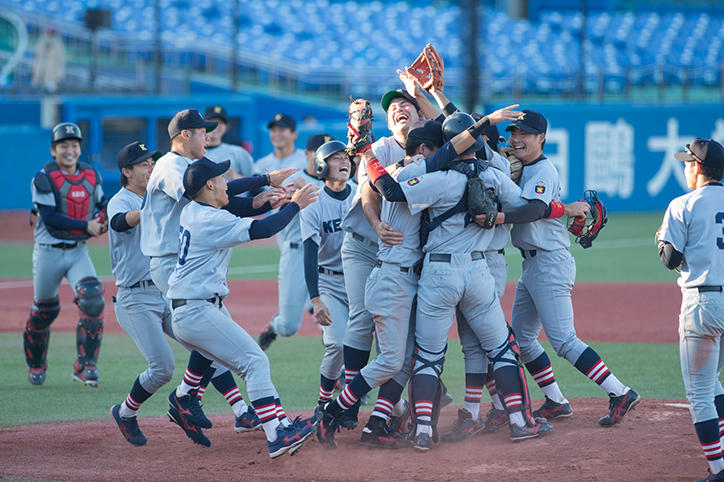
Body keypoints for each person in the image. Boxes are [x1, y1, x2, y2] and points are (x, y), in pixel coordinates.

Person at [358, 111, 554, 450]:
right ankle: (519, 422)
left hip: (438, 273)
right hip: (478, 270)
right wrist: (519, 214)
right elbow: (531, 208)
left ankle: (422, 431)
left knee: (428, 356)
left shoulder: (439, 178)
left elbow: (392, 191)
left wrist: (368, 155)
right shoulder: (495, 176)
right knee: (502, 350)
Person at [165, 157, 320, 457]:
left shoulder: (195, 209)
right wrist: (294, 206)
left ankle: (279, 423)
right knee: (255, 362)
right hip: (196, 310)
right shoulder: (210, 219)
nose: (227, 182)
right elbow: (263, 230)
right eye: (221, 178)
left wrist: (262, 193)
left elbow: (233, 199)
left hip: (194, 308)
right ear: (209, 186)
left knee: (248, 361)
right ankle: (277, 436)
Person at [504, 110, 640, 426]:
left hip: (549, 263)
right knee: (522, 339)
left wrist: (501, 216)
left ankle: (619, 392)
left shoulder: (542, 170)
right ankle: (556, 400)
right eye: (514, 132)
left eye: (524, 133)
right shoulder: (524, 168)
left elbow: (532, 210)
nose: (517, 139)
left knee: (564, 340)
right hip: (532, 265)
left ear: (541, 138)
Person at [658, 138, 724, 482]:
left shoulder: (683, 204)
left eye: (687, 162)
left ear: (698, 167)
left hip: (703, 305)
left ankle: (718, 470)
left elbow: (671, 259)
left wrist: (661, 241)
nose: (685, 167)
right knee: (711, 383)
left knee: (699, 393)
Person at [24, 122, 107, 387]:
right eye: (63, 146)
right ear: (53, 150)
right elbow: (50, 218)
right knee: (45, 311)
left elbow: (102, 204)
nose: (69, 150)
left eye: (74, 145)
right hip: (48, 252)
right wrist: (87, 226)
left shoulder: (91, 175)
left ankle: (86, 366)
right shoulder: (43, 178)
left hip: (78, 251)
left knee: (93, 300)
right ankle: (36, 363)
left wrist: (103, 219)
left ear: (80, 148)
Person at [107, 141, 166, 445]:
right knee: (162, 369)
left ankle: (237, 409)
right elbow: (119, 222)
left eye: (152, 163)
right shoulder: (121, 200)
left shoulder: (159, 196)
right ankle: (125, 412)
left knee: (209, 344)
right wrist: (148, 211)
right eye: (144, 164)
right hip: (136, 298)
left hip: (166, 292)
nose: (151, 168)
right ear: (126, 171)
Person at [299, 141, 355, 422]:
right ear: (321, 166)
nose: (344, 161)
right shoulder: (313, 204)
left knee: (381, 346)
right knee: (337, 345)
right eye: (335, 158)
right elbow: (309, 254)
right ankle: (324, 402)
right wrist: (315, 298)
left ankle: (380, 406)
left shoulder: (362, 194)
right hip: (330, 281)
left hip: (362, 280)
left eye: (346, 157)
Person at [257, 116, 323, 350]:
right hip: (295, 250)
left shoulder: (338, 181)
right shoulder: (294, 179)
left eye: (331, 154)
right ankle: (273, 327)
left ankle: (340, 365)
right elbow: (273, 211)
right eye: (318, 153)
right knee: (288, 326)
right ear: (307, 154)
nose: (323, 158)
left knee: (336, 322)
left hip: (328, 255)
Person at [203, 105, 254, 179]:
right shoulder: (192, 153)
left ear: (227, 127)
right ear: (203, 125)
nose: (216, 126)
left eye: (220, 123)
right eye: (211, 121)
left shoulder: (238, 152)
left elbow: (256, 182)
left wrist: (236, 177)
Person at [31, 28, 65, 93]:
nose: (49, 35)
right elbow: (36, 59)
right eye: (48, 33)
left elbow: (60, 62)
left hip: (52, 76)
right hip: (39, 74)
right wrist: (33, 70)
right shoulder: (41, 43)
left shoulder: (58, 45)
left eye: (51, 33)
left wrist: (59, 76)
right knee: (37, 90)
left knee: (50, 91)